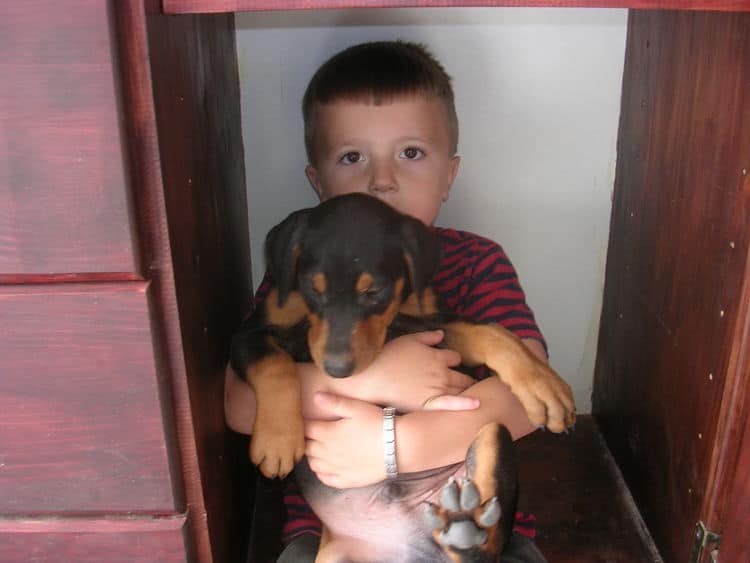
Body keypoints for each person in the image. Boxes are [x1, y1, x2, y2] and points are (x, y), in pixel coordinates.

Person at [225, 40, 552, 562]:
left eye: (411, 153)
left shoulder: (476, 261)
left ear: (449, 174)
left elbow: (531, 404)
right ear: (317, 181)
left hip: (470, 516)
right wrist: (372, 379)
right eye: (352, 157)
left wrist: (394, 447)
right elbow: (241, 406)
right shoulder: (301, 256)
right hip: (334, 530)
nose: (382, 179)